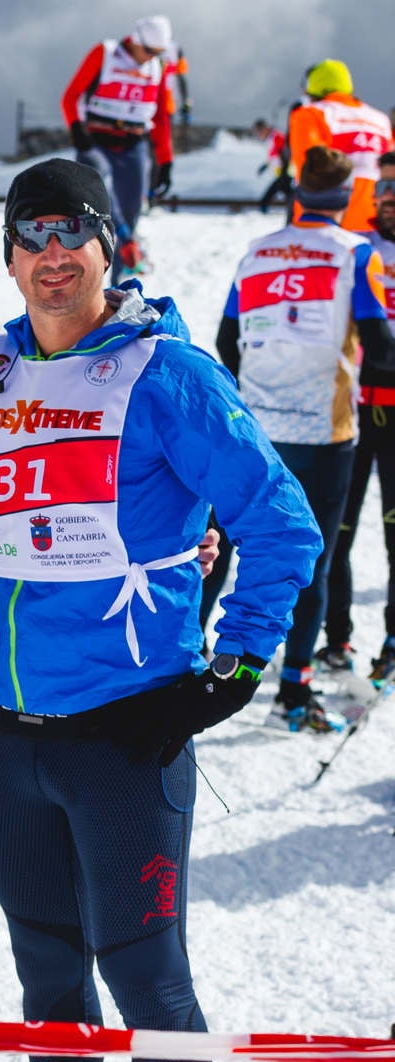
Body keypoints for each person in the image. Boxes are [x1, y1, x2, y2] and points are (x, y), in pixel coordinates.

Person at [0, 160, 317, 1062]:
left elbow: (279, 521)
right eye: (29, 235)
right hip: (9, 734)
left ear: (109, 247)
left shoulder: (164, 372)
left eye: (73, 235)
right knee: (45, 974)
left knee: (147, 983)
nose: (51, 255)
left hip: (124, 734)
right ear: (6, 255)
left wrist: (236, 669)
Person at [214, 147, 394, 733]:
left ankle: (186, 664)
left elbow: (226, 338)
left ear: (297, 191)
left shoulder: (257, 250)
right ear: (347, 199)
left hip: (254, 425)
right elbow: (380, 345)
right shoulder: (356, 252)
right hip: (324, 427)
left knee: (223, 549)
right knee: (305, 558)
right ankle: (292, 692)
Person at [322, 156, 395, 686]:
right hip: (348, 411)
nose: (389, 199)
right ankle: (335, 638)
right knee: (337, 535)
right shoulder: (355, 249)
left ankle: (392, 642)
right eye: (384, 191)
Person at [59, 15, 175, 272]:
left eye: (156, 53)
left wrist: (166, 160)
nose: (149, 57)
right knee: (99, 202)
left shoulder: (158, 67)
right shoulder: (105, 53)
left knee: (131, 211)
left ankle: (120, 281)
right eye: (147, 50)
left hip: (133, 144)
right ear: (135, 40)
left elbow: (160, 117)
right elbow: (70, 97)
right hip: (96, 141)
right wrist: (77, 129)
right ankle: (90, 274)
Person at [287, 60, 393, 235]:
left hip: (326, 223)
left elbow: (308, 167)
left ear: (313, 86)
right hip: (378, 224)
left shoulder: (310, 114)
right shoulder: (380, 120)